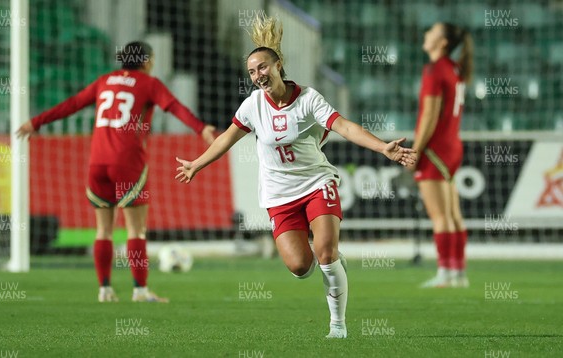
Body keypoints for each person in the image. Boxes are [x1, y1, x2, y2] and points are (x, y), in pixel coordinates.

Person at [175, 16, 416, 338]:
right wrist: (197, 164)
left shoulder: (308, 99)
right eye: (251, 71)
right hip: (279, 193)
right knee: (300, 267)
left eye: (262, 67)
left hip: (317, 182)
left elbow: (343, 126)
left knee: (326, 252)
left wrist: (382, 148)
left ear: (278, 65)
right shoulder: (252, 106)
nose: (258, 75)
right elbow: (226, 138)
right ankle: (327, 266)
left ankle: (338, 324)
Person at [17, 41, 215, 302]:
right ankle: (140, 291)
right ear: (146, 61)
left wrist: (37, 122)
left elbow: (73, 104)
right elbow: (175, 107)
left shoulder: (105, 81)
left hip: (97, 164)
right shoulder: (149, 84)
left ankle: (105, 290)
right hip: (127, 163)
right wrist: (201, 128)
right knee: (136, 230)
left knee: (103, 230)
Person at [411, 23, 473, 288]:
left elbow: (429, 116)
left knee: (440, 216)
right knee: (453, 214)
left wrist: (415, 150)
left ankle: (445, 272)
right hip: (452, 147)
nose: (426, 34)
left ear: (443, 41)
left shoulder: (435, 70)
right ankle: (458, 272)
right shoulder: (455, 69)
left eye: (432, 31)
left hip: (435, 149)